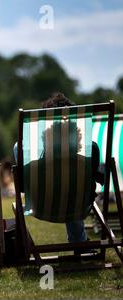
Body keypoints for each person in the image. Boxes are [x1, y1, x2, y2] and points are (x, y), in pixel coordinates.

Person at [13, 92, 104, 246]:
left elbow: (22, 187)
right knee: (74, 191)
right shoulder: (91, 150)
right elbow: (95, 182)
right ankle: (80, 244)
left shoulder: (22, 151)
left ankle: (33, 249)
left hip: (40, 205)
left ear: (45, 126)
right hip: (78, 206)